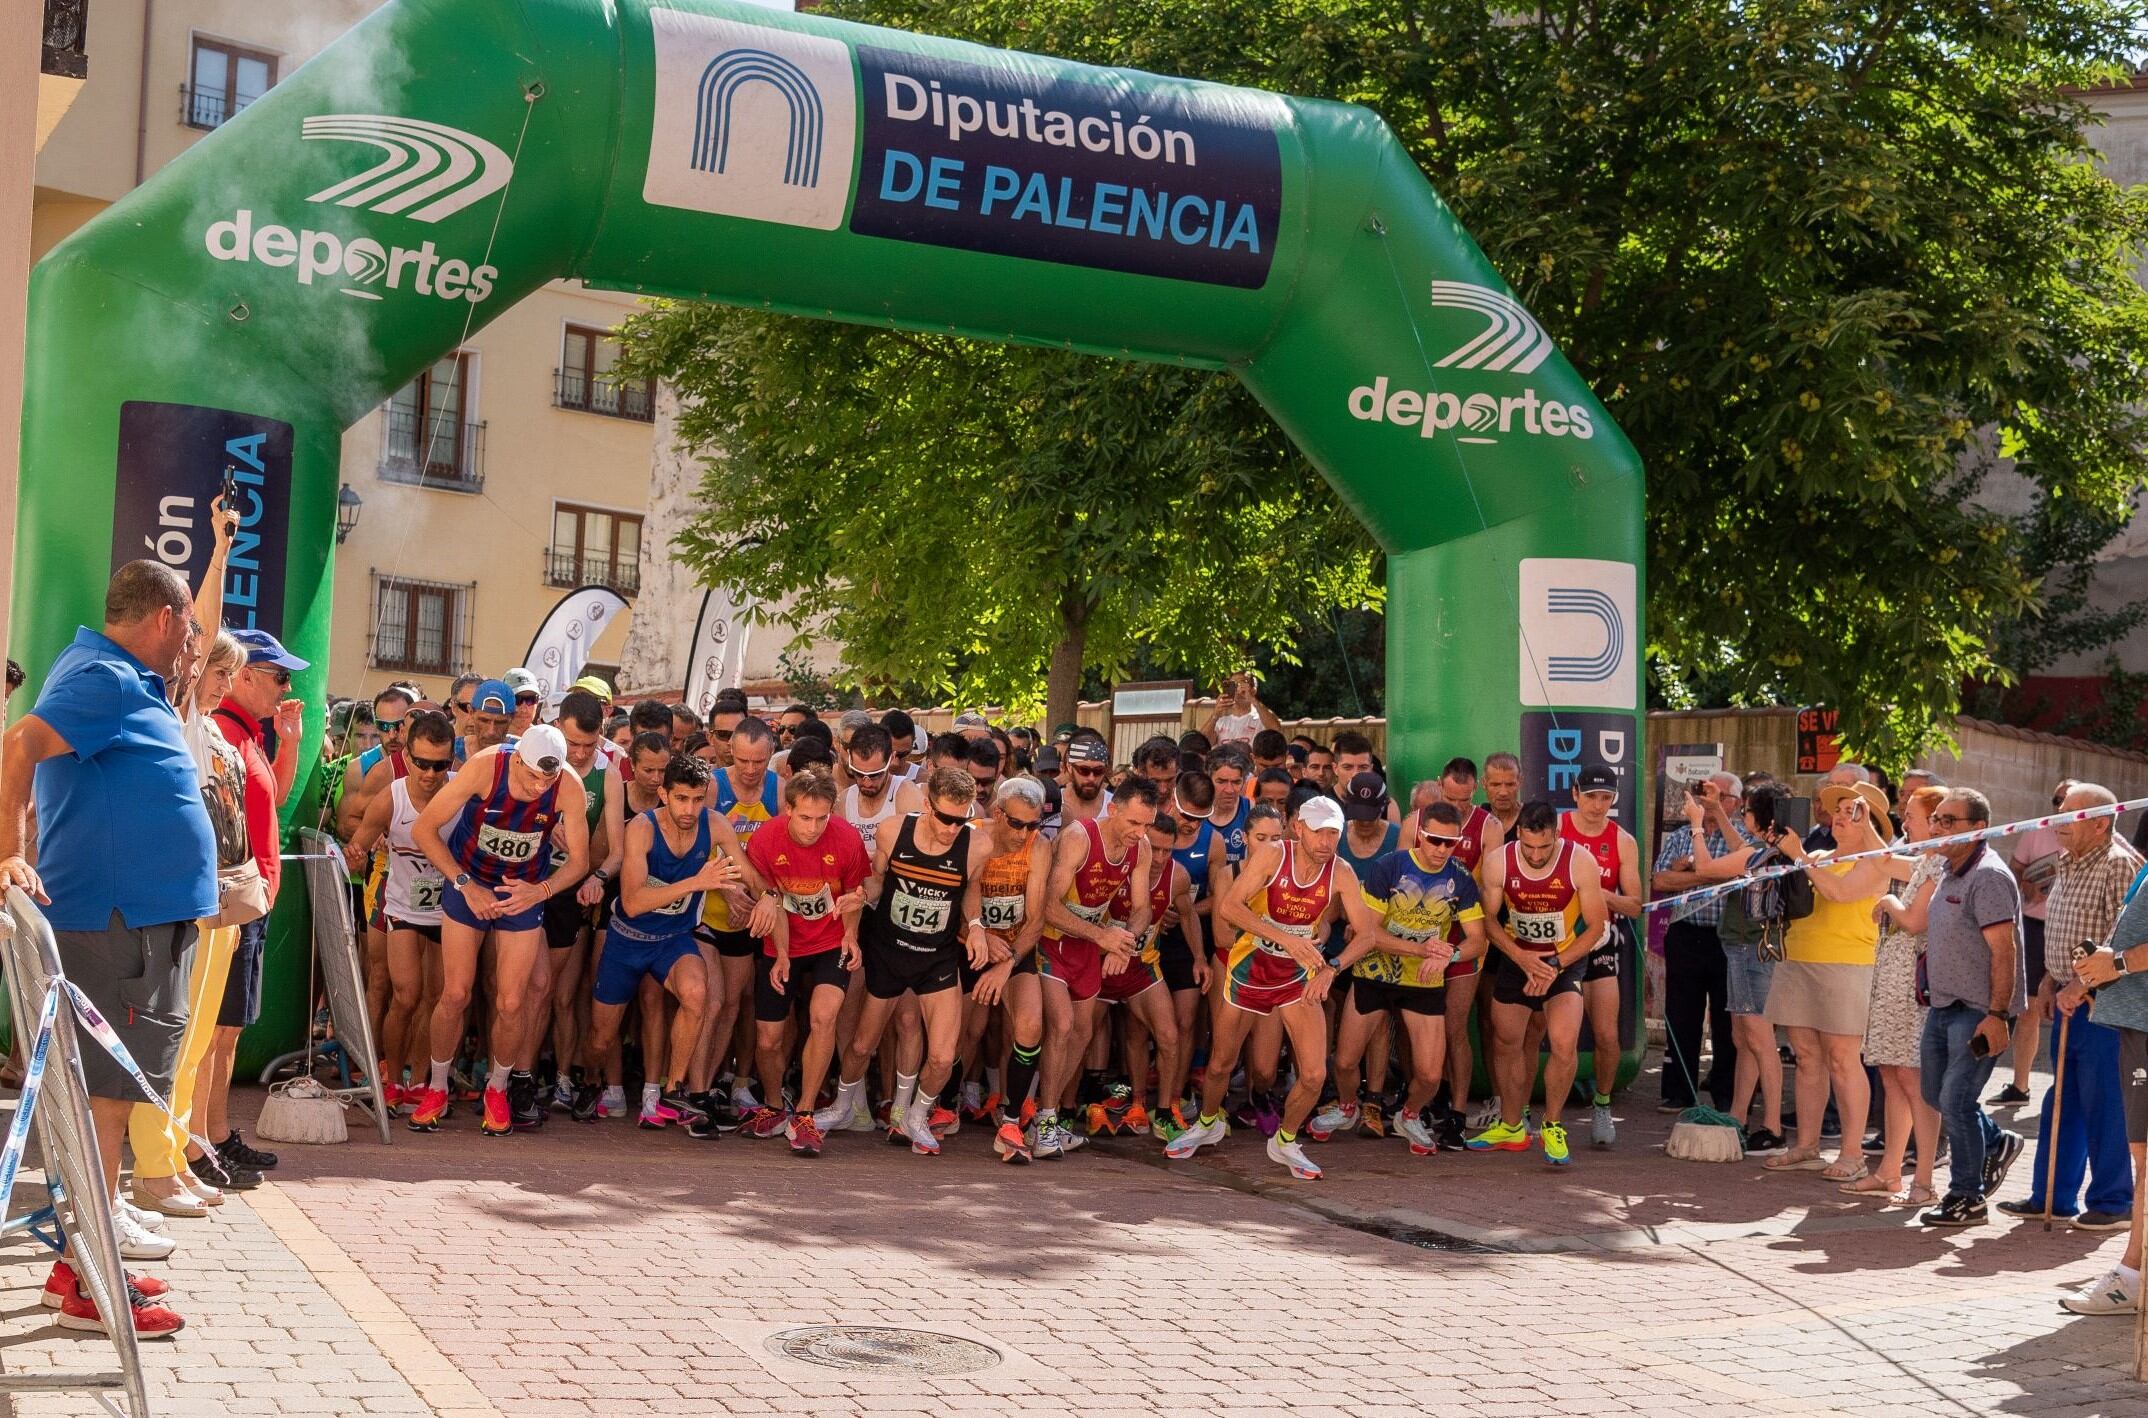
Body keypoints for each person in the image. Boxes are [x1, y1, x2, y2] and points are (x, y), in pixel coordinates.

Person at [0, 559, 219, 1338]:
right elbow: (18, 742)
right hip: (118, 925)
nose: (193, 641)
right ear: (163, 618)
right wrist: (6, 852)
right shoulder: (107, 675)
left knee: (109, 1107)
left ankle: (79, 1266)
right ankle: (92, 1282)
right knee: (103, 1110)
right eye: (190, 625)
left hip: (132, 923)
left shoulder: (118, 674)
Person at [1168, 796, 1381, 1180]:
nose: (1326, 842)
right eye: (1319, 833)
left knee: (1314, 1074)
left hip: (1297, 976)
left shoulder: (1341, 872)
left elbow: (1367, 935)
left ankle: (1285, 1139)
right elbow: (1230, 908)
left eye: (1334, 834)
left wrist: (1331, 968)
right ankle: (1208, 1121)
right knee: (1220, 1063)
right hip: (1250, 967)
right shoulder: (1272, 855)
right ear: (1298, 829)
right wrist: (1284, 938)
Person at [409, 724, 590, 1135]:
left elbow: (579, 861)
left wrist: (539, 891)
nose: (537, 785)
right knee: (455, 993)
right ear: (517, 758)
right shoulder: (485, 767)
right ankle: (436, 1087)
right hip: (468, 881)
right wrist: (464, 885)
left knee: (511, 1001)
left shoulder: (569, 787)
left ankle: (498, 1088)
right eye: (530, 775)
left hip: (522, 893)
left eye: (548, 778)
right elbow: (424, 829)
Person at [820, 767, 1000, 1154]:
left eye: (962, 819)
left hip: (937, 957)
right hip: (890, 950)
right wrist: (860, 896)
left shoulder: (977, 846)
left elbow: (970, 893)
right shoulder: (893, 831)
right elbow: (878, 879)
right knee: (862, 1045)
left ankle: (916, 1117)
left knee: (942, 1055)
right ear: (926, 805)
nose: (953, 828)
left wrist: (976, 924)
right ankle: (842, 1106)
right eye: (946, 818)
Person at [574, 753, 745, 1128]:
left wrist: (768, 899)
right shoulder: (642, 828)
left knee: (698, 994)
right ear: (664, 794)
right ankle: (588, 1080)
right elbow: (633, 903)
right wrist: (697, 882)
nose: (690, 808)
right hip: (628, 939)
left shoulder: (714, 825)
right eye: (682, 798)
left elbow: (749, 873)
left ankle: (673, 1089)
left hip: (673, 938)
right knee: (602, 1038)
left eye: (698, 799)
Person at [2005, 783, 2142, 1230]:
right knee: (2062, 1097)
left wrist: (2078, 986)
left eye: (2070, 815)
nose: (2058, 823)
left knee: (2103, 1098)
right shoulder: (2068, 862)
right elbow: (2064, 931)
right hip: (2067, 992)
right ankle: (2051, 1195)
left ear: (2101, 823)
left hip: (2105, 1000)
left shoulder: (2120, 865)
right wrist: (2050, 980)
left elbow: (2120, 940)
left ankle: (2113, 1201)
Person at [201, 628, 309, 1181]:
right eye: (280, 677)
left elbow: (275, 798)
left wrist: (289, 740)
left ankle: (214, 1134)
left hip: (251, 905)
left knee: (229, 1030)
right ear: (244, 676)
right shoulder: (222, 731)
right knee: (216, 1031)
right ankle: (202, 1143)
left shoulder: (247, 734)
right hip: (236, 906)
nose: (287, 688)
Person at [1320, 799, 1486, 1155]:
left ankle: (1409, 1115)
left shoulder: (1460, 878)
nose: (1442, 849)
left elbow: (1477, 939)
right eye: (1434, 840)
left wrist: (1451, 955)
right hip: (1374, 973)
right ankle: (1348, 1106)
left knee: (1428, 1075)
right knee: (1347, 1061)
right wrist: (1426, 950)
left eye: (1451, 842)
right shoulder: (1389, 867)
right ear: (1419, 836)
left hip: (1422, 982)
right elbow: (1368, 933)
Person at [1758, 780, 1891, 1181]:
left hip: (1847, 964)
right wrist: (1773, 853)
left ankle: (1852, 1154)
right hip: (1799, 958)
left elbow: (1838, 893)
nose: (1838, 817)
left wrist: (1798, 855)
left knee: (1842, 1059)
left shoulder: (1877, 860)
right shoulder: (1816, 854)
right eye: (1837, 809)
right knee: (1806, 1057)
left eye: (1851, 811)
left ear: (1871, 821)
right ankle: (1807, 1146)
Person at [1466, 801, 1609, 1168]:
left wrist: (1555, 964)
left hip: (1565, 960)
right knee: (1506, 1040)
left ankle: (1553, 1125)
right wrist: (1522, 958)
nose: (1534, 855)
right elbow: (1488, 921)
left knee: (1563, 1043)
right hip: (1519, 958)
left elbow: (1595, 926)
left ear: (1557, 836)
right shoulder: (1501, 860)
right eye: (1527, 846)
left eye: (1543, 848)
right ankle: (1512, 1125)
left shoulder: (1580, 861)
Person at [1912, 788, 2027, 1228]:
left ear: (1978, 829)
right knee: (1933, 1094)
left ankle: (1967, 1197)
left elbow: (2005, 952)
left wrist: (1997, 1016)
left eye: (1947, 821)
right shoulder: (1948, 869)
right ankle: (1996, 1143)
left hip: (1978, 1011)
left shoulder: (1990, 876)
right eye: (1935, 819)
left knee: (1957, 1100)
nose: (1937, 827)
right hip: (1943, 1006)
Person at [742, 770, 870, 1154]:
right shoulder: (766, 839)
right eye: (805, 818)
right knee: (768, 1040)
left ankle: (805, 1113)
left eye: (822, 817)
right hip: (782, 942)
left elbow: (855, 894)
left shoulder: (846, 837)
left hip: (831, 941)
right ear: (788, 810)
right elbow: (774, 900)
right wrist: (781, 953)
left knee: (823, 1017)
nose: (814, 828)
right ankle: (772, 1104)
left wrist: (851, 932)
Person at [1031, 777, 1160, 1158]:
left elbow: (1142, 910)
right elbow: (1048, 907)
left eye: (1147, 825)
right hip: (1051, 940)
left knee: (1083, 1032)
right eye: (1134, 823)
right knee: (1063, 1026)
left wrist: (1126, 941)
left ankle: (1048, 1115)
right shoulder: (1079, 837)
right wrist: (1103, 937)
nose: (1140, 832)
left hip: (1087, 946)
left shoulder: (1142, 848)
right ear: (1114, 809)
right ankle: (1045, 1121)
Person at [346, 710, 457, 1119]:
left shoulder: (460, 794)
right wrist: (356, 855)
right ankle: (393, 1077)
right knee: (406, 995)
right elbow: (355, 848)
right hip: (403, 908)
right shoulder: (392, 796)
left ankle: (423, 1080)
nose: (430, 774)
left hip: (449, 914)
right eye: (422, 763)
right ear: (407, 757)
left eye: (440, 765)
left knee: (439, 998)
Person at [2062, 857, 2148, 1314]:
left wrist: (2115, 961)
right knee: (2143, 1158)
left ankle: (2132, 1275)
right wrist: (2092, 976)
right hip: (2137, 1025)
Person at [1689, 785, 1793, 1154]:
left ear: (1757, 816)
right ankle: (1738, 1115)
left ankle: (1773, 1128)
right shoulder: (1768, 848)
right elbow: (1740, 851)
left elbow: (1705, 869)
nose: (1742, 816)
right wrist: (1717, 811)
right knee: (1742, 1036)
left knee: (1760, 1038)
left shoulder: (1759, 852)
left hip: (1751, 948)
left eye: (1746, 810)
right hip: (1745, 946)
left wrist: (1698, 827)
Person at [1856, 785, 1947, 1205]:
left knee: (1914, 1079)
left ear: (1937, 820)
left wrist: (1889, 901)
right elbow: (1885, 859)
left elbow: (1914, 921)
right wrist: (1866, 825)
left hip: (1914, 987)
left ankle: (1923, 1179)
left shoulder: (1940, 865)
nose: (1904, 821)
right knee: (1892, 1075)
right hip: (1893, 983)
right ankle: (1889, 1170)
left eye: (1911, 814)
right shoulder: (1924, 859)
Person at [963, 777, 1053, 1162]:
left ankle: (1013, 1121)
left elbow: (1036, 919)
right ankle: (945, 1102)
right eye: (1017, 824)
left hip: (1015, 949)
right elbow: (956, 902)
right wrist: (978, 935)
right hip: (971, 944)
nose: (1024, 833)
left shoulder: (1039, 846)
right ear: (998, 813)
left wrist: (1008, 963)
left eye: (1033, 825)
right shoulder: (972, 837)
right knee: (967, 1030)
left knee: (1031, 1024)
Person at [1558, 765, 1643, 1148]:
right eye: (1591, 796)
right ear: (1575, 793)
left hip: (1601, 941)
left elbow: (1636, 905)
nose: (1597, 805)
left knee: (1607, 1034)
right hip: (1557, 940)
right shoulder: (1557, 828)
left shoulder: (1621, 840)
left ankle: (1603, 1105)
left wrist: (1599, 895)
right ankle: (1526, 1112)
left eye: (1605, 798)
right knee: (1543, 1031)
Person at [1652, 773, 1744, 1115]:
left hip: (1728, 939)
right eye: (1703, 794)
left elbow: (1744, 870)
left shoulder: (1741, 838)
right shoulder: (1678, 837)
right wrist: (1709, 874)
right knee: (1681, 1015)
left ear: (1735, 801)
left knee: (1727, 1019)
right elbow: (1661, 879)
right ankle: (1679, 1092)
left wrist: (1691, 873)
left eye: (1717, 795)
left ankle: (1725, 1093)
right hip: (1686, 934)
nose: (1707, 800)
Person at [1997, 779, 2073, 1106]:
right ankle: (2020, 1086)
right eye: (2056, 800)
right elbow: (2015, 870)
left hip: (2072, 930)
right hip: (2034, 925)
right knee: (2027, 1009)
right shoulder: (2037, 831)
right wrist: (2027, 887)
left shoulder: (2094, 840)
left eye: (2067, 801)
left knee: (2070, 1008)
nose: (2059, 807)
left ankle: (2065, 1089)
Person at [1202, 670, 1280, 747]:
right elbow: (1202, 743)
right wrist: (1215, 715)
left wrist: (1253, 700)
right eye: (1233, 684)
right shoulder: (1221, 721)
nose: (1238, 688)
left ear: (1253, 690)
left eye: (1243, 682)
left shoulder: (1261, 718)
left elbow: (1276, 730)